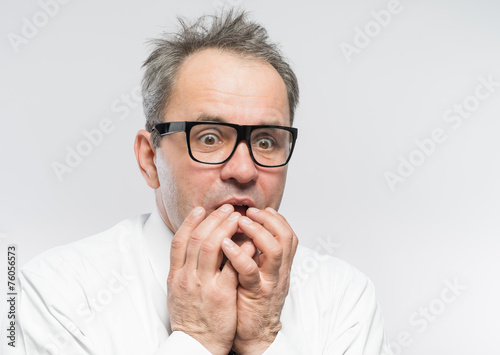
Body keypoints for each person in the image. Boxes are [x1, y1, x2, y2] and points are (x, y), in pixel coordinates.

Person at [9, 10, 389, 355]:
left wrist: (265, 341)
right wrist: (196, 339)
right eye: (209, 137)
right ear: (149, 159)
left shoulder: (344, 299)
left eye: (266, 140)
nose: (243, 170)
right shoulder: (54, 294)